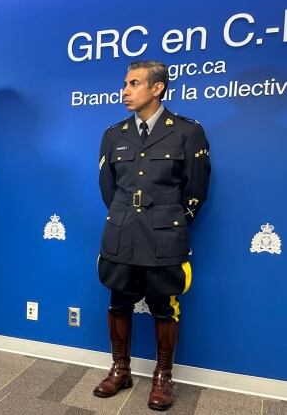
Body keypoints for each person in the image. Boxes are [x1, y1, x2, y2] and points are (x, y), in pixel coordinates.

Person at [94, 61, 211, 410]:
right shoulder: (114, 134)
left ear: (157, 88)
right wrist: (126, 218)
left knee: (164, 307)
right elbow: (108, 189)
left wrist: (168, 222)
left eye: (134, 84)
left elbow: (196, 190)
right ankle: (120, 369)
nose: (125, 91)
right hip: (121, 232)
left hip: (164, 237)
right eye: (124, 84)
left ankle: (163, 377)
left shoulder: (188, 132)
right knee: (118, 302)